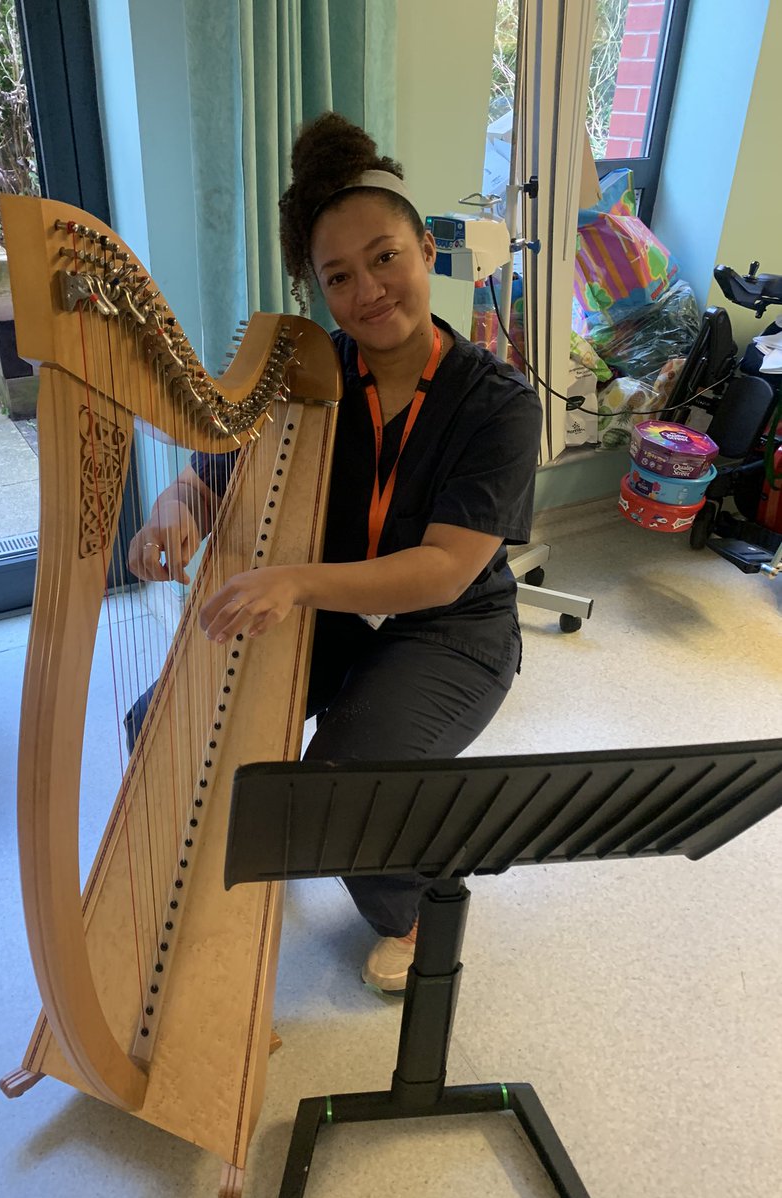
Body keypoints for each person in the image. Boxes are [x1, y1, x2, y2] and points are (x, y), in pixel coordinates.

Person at [128, 112, 542, 995]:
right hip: (328, 612)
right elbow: (208, 478)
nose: (369, 291)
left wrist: (294, 580)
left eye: (385, 257)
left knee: (343, 777)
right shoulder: (305, 378)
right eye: (340, 276)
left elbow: (444, 569)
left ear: (427, 248)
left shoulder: (499, 402)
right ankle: (223, 875)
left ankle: (414, 909)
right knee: (158, 724)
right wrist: (171, 515)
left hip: (451, 631)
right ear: (320, 290)